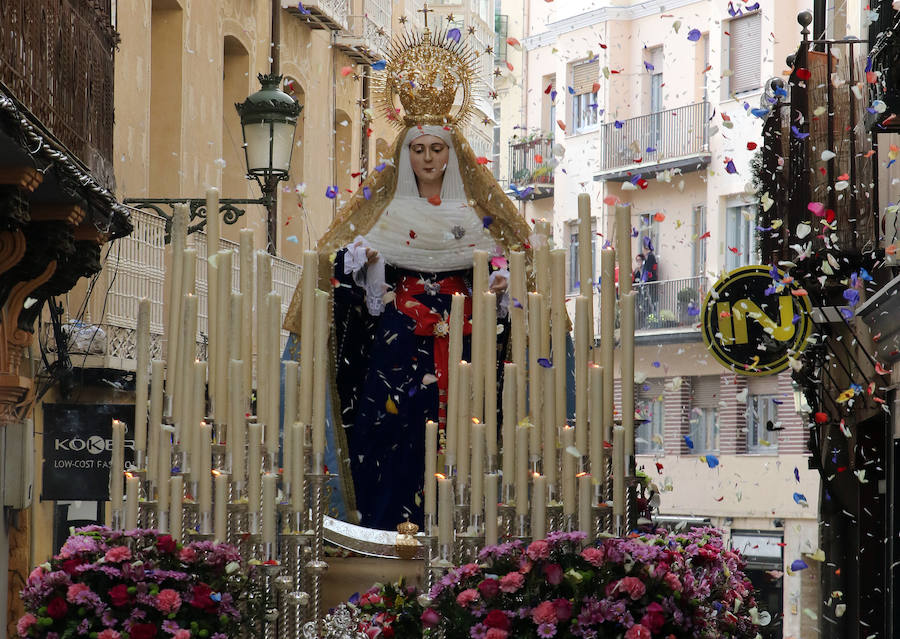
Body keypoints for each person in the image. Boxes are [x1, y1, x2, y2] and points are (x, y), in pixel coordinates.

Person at [283, 26, 533, 530]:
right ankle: (383, 524)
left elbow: (516, 259)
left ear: (451, 154)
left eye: (436, 150)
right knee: (389, 429)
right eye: (418, 149)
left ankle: (465, 527)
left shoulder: (475, 213)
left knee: (470, 427)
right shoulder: (382, 210)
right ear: (405, 155)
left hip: (466, 340)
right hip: (398, 341)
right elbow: (342, 275)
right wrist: (366, 265)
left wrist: (504, 291)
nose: (427, 159)